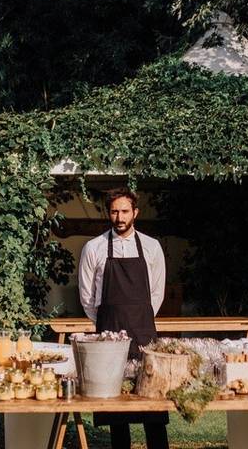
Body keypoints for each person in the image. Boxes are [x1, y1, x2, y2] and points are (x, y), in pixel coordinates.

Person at [78, 188, 169, 449]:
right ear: (109, 213)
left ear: (135, 213)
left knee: (152, 406)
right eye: (114, 211)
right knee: (116, 413)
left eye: (125, 211)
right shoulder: (93, 248)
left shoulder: (152, 247)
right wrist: (107, 321)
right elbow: (87, 297)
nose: (119, 217)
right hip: (108, 336)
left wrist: (139, 314)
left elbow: (156, 293)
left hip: (144, 333)